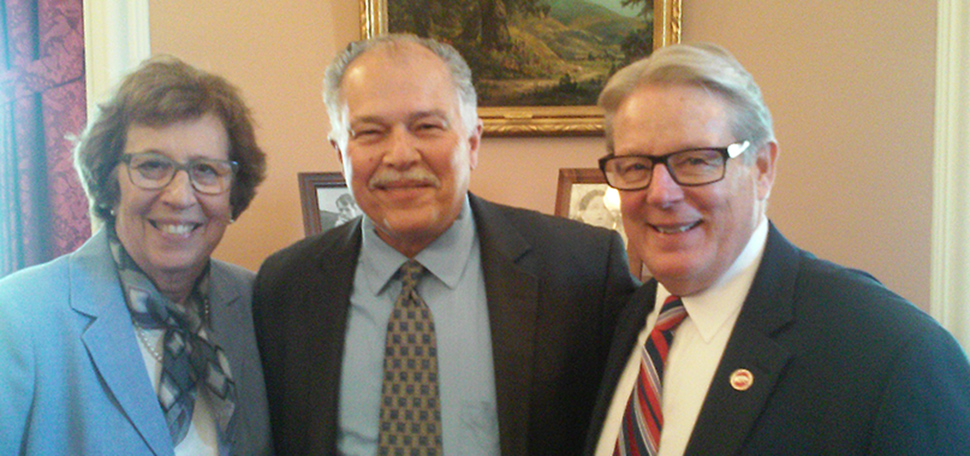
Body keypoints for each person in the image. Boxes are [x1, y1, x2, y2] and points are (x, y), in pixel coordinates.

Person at [252, 34, 637, 455]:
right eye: (370, 132)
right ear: (339, 151)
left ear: (472, 142)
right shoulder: (284, 286)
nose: (400, 155)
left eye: (427, 127)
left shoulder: (582, 269)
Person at [585, 42, 970, 455]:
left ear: (763, 169)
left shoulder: (895, 352)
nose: (661, 193)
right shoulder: (618, 322)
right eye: (636, 167)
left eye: (697, 161)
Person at [0, 55, 272, 455]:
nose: (180, 196)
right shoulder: (20, 316)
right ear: (110, 183)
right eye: (152, 166)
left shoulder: (257, 304)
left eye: (206, 171)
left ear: (233, 193)